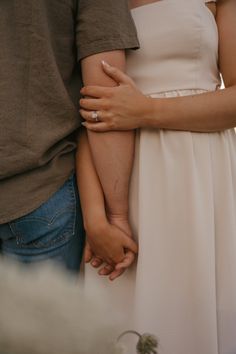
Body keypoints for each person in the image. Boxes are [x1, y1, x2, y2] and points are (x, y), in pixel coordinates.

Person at [79, 0, 236, 353]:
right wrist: (95, 216)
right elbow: (88, 113)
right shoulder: (91, 6)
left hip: (203, 176)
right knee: (126, 314)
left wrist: (147, 111)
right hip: (125, 179)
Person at [0, 0, 139, 272]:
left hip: (38, 197)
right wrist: (116, 216)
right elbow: (105, 99)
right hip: (39, 190)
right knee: (41, 317)